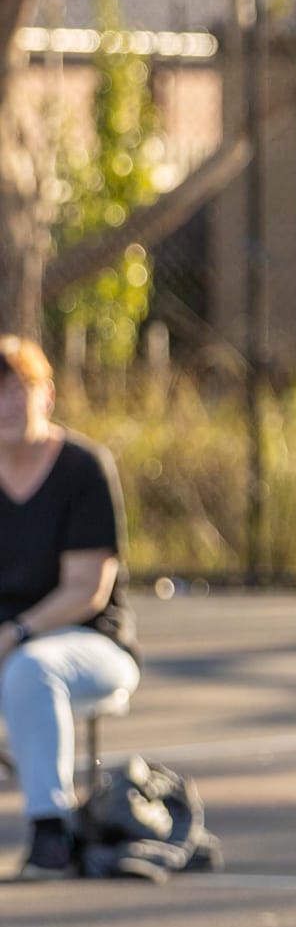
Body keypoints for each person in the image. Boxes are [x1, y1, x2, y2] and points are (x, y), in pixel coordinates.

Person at [0, 334, 141, 880]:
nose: (8, 404)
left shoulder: (84, 468)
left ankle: (50, 833)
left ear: (48, 396)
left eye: (20, 390)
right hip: (9, 647)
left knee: (32, 669)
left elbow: (88, 589)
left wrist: (14, 633)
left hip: (87, 647)